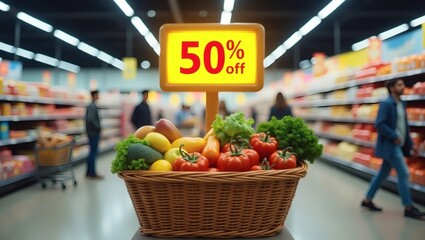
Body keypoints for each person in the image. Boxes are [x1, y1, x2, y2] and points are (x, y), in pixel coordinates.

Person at [361, 79, 425, 219]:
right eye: (399, 85)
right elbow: (380, 124)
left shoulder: (401, 103)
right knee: (403, 172)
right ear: (391, 88)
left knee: (383, 173)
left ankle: (367, 199)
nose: (403, 87)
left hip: (398, 144)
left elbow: (405, 127)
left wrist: (411, 144)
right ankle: (408, 207)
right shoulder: (386, 103)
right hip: (391, 145)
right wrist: (394, 135)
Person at [85, 90, 103, 179]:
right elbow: (90, 120)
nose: (98, 96)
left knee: (91, 152)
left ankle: (89, 172)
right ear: (94, 95)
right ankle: (92, 173)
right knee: (93, 153)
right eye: (98, 94)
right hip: (93, 133)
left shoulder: (91, 106)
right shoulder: (92, 107)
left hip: (92, 132)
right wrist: (98, 127)